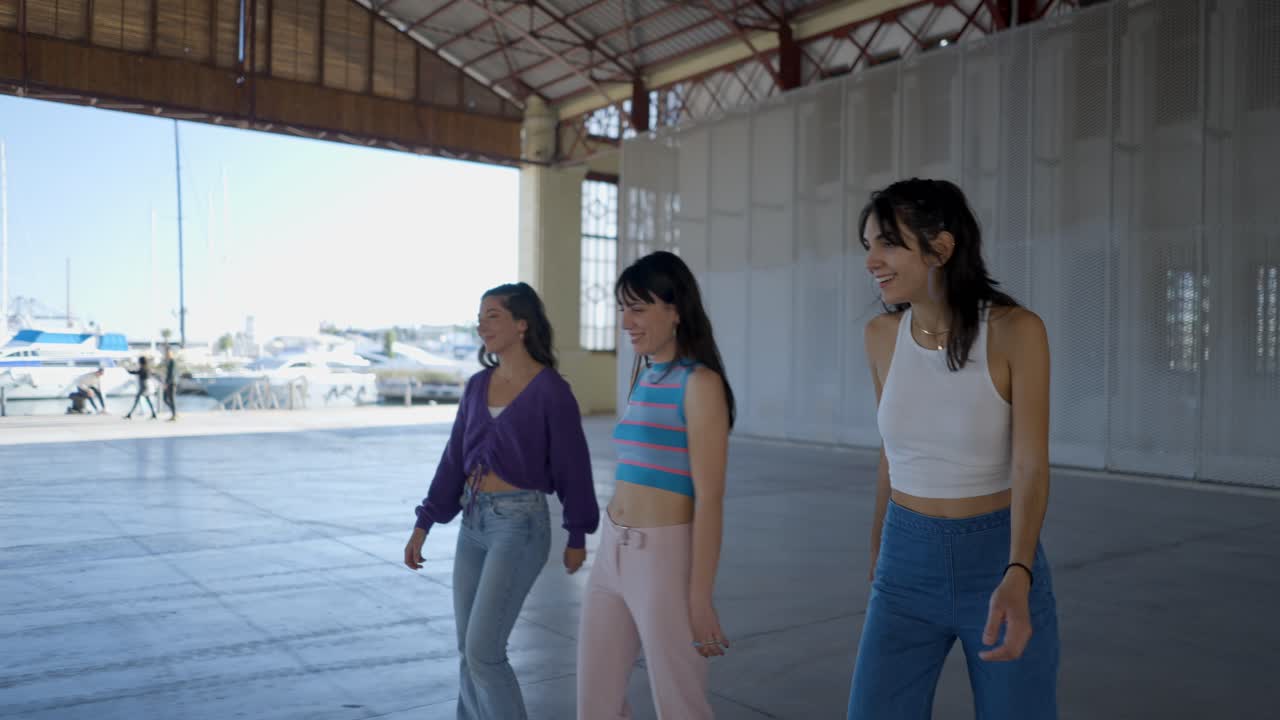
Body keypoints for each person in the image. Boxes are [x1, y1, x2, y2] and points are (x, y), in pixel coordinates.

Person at [848, 178, 1059, 720]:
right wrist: (878, 552)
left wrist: (1019, 570)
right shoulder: (879, 337)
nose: (871, 260)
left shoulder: (1017, 332)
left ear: (941, 248)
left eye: (888, 243)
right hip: (903, 561)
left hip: (996, 561)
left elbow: (1031, 462)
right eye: (868, 245)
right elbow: (889, 454)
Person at [403, 282, 599, 720]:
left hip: (520, 525)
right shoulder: (476, 386)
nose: (481, 324)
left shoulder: (551, 390)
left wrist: (578, 532)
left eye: (492, 314)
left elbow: (573, 464)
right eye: (480, 315)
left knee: (483, 652)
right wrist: (424, 523)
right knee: (466, 650)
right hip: (473, 524)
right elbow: (454, 458)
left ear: (522, 323)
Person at [576, 251, 735, 720]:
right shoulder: (643, 374)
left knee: (679, 704)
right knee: (595, 704)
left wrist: (699, 596)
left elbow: (710, 498)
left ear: (675, 310)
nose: (627, 321)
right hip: (612, 551)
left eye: (638, 308)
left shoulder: (700, 384)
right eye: (623, 308)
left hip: (664, 559)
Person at [124, 356, 157, 420]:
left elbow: (134, 372)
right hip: (146, 386)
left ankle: (129, 414)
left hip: (143, 386)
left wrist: (127, 369)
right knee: (147, 400)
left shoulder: (143, 369)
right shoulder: (147, 368)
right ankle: (153, 414)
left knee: (137, 400)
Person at [162, 347, 178, 421]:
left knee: (171, 399)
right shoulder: (168, 361)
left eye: (168, 352)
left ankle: (174, 415)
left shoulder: (172, 361)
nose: (167, 354)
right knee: (165, 399)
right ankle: (174, 412)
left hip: (171, 383)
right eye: (166, 353)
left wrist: (167, 384)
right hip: (168, 382)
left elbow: (172, 374)